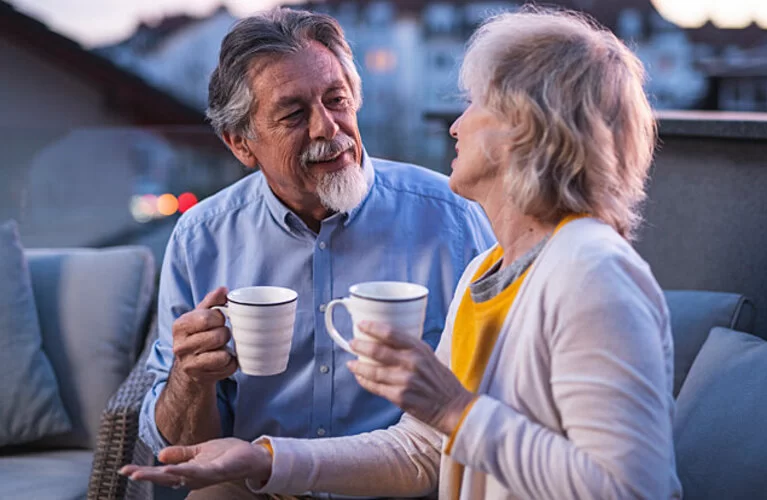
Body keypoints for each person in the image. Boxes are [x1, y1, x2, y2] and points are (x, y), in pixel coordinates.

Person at [124, 7, 683, 499]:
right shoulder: (488, 273)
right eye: (294, 114)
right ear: (241, 143)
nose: (456, 124)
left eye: (477, 103)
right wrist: (267, 459)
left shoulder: (592, 271)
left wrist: (454, 409)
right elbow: (422, 449)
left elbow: (634, 488)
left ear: (527, 132)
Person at [135, 6, 494, 495]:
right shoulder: (202, 237)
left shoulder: (453, 216)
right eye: (294, 114)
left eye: (337, 100)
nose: (328, 128)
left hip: (404, 480)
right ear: (241, 143)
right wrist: (189, 378)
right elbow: (179, 448)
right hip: (254, 486)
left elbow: (493, 392)